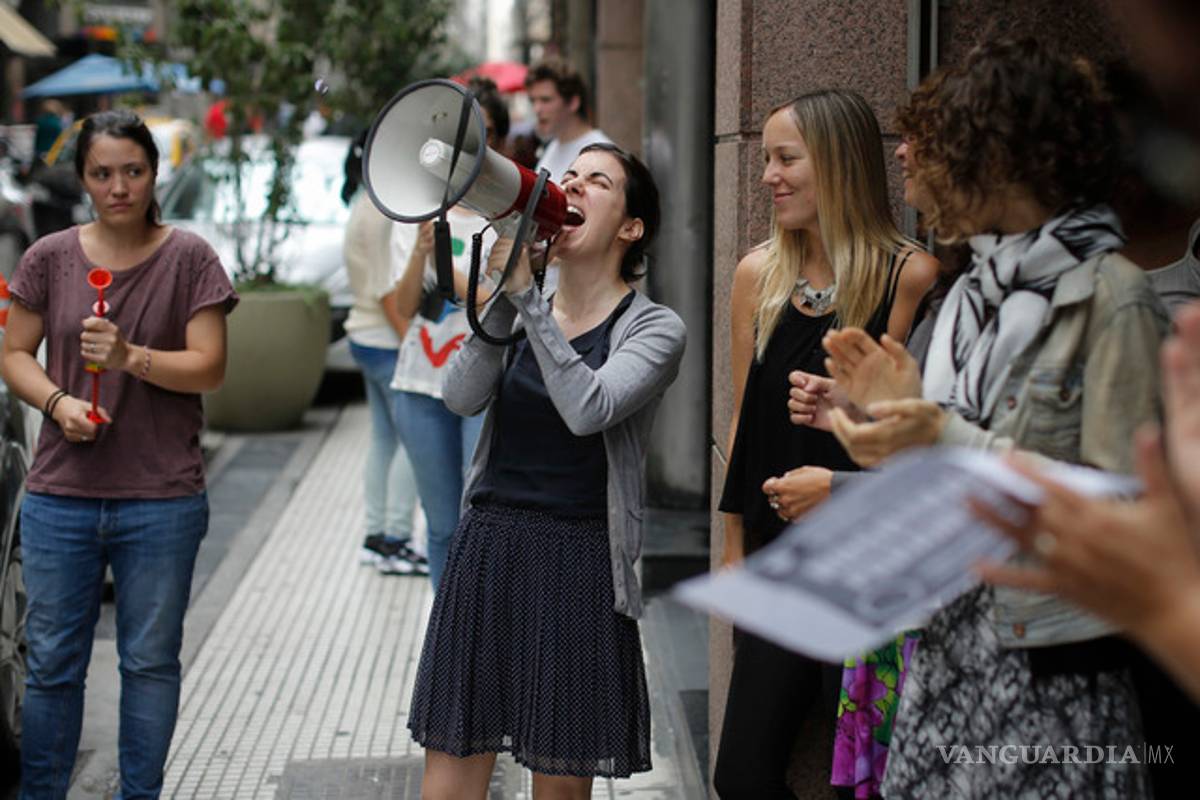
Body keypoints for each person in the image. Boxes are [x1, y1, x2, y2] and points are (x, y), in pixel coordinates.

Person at [823, 39, 1165, 798]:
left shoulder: (1112, 298)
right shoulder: (972, 293)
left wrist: (938, 432)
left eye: (937, 138)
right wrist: (885, 430)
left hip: (1051, 676)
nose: (906, 154)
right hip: (944, 652)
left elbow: (1136, 520)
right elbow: (950, 474)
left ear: (1003, 154)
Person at [407, 143, 685, 799]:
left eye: (597, 181)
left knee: (558, 788)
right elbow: (459, 395)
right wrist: (513, 297)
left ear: (631, 226)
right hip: (490, 550)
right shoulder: (524, 303)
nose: (574, 188)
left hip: (578, 561)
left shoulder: (654, 328)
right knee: (447, 779)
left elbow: (588, 408)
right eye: (567, 178)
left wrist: (528, 301)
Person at [1, 109, 236, 799]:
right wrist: (57, 404)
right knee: (50, 666)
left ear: (154, 173)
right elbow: (15, 354)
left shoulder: (189, 257)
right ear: (82, 179)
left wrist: (131, 357)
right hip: (60, 497)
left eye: (132, 171)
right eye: (102, 173)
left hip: (161, 496)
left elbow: (210, 367)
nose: (119, 187)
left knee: (151, 663)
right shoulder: (49, 257)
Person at [712, 89, 936, 800]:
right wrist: (733, 549)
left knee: (863, 784)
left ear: (837, 165)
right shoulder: (758, 274)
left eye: (786, 160)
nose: (768, 176)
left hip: (869, 564)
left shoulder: (909, 276)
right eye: (767, 159)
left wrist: (848, 411)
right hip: (778, 560)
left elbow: (912, 436)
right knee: (741, 775)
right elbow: (744, 425)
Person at [384, 82, 509, 583]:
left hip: (482, 385)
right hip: (419, 383)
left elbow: (505, 304)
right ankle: (444, 640)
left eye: (481, 133)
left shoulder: (502, 214)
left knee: (474, 519)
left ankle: (476, 633)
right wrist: (420, 254)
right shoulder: (415, 207)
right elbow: (404, 305)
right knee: (439, 525)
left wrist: (452, 272)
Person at [340, 131, 421, 570]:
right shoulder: (384, 212)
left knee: (385, 439)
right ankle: (394, 537)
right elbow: (390, 292)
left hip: (367, 337)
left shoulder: (365, 201)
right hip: (386, 340)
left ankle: (378, 535)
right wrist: (418, 349)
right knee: (411, 440)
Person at [524, 57, 612, 182]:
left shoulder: (601, 152)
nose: (537, 109)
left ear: (573, 102)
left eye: (546, 100)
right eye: (533, 101)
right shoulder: (553, 146)